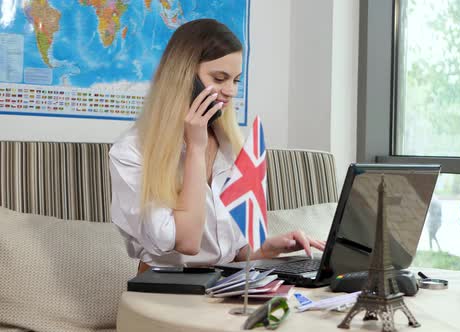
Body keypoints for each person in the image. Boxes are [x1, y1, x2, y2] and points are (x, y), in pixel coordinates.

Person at [109, 19, 325, 274]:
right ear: (184, 78)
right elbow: (187, 243)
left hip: (221, 286)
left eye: (236, 80)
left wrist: (269, 248)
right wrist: (196, 150)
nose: (230, 91)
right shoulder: (132, 152)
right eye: (220, 78)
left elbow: (232, 251)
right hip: (164, 291)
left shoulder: (236, 149)